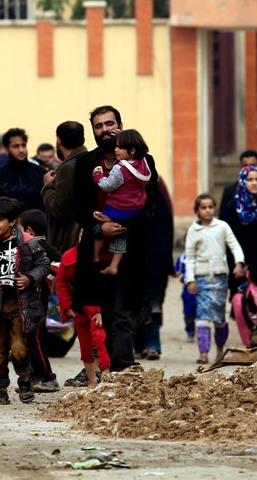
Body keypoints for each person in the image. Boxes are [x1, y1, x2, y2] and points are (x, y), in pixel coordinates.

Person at [71, 105, 161, 372]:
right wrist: (101, 229)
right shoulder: (87, 163)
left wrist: (121, 225)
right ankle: (108, 366)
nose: (105, 130)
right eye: (99, 126)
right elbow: (77, 207)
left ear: (120, 125)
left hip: (130, 247)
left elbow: (150, 204)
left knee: (127, 307)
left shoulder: (145, 161)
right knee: (101, 310)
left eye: (109, 123)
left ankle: (122, 365)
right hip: (97, 250)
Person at [0, 197, 50, 406]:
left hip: (20, 305)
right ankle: (1, 390)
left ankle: (24, 381)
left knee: (19, 347)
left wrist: (30, 278)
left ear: (12, 221)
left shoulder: (28, 243)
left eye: (0, 220)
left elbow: (44, 264)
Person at [184, 194, 246, 365]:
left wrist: (239, 263)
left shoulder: (222, 226)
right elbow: (189, 257)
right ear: (197, 211)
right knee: (203, 316)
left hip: (220, 277)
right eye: (203, 208)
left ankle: (220, 348)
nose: (208, 210)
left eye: (210, 207)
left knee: (219, 317)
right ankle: (203, 352)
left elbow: (234, 244)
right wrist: (190, 279)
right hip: (202, 278)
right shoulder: (193, 231)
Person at [91, 129, 153, 276]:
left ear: (132, 150)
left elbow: (107, 185)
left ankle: (95, 255)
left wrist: (98, 175)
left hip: (118, 208)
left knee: (100, 225)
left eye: (120, 147)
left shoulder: (121, 169)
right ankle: (114, 265)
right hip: (135, 209)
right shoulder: (142, 163)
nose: (116, 150)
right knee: (121, 233)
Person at [55, 234, 108, 388]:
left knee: (101, 341)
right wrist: (67, 306)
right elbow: (62, 282)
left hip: (97, 307)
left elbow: (107, 285)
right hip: (79, 307)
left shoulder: (104, 255)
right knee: (85, 345)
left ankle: (106, 378)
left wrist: (102, 309)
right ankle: (92, 381)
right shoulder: (69, 256)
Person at [18, 208, 61, 393]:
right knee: (27, 338)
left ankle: (47, 377)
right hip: (28, 300)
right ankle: (34, 377)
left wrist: (39, 276)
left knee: (34, 337)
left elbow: (59, 266)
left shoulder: (40, 245)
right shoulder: (28, 246)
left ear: (29, 231)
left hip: (38, 299)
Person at [134, 179, 175, 361]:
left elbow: (166, 229)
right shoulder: (124, 190)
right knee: (132, 303)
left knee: (153, 303)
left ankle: (152, 344)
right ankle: (136, 345)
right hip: (131, 259)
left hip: (155, 259)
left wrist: (165, 259)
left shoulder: (156, 190)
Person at [221, 165, 257, 295]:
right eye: (249, 180)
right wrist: (238, 263)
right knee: (240, 306)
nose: (254, 183)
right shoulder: (232, 207)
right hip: (239, 265)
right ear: (243, 181)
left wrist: (255, 263)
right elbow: (228, 237)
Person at [42, 121, 88, 255]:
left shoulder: (67, 167)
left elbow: (58, 209)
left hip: (67, 244)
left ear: (58, 141)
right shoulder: (89, 160)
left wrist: (47, 187)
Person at [0, 128, 47, 213]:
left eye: (23, 145)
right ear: (6, 149)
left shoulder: (40, 173)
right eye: (16, 146)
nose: (21, 150)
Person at [218, 150, 257, 222]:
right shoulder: (231, 190)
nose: (249, 169)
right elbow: (223, 219)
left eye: (253, 165)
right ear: (240, 167)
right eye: (245, 166)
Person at [174, 252, 196, 342]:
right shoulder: (183, 257)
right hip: (188, 291)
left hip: (203, 287)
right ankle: (190, 331)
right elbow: (176, 272)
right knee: (188, 313)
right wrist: (182, 277)